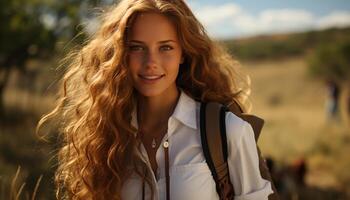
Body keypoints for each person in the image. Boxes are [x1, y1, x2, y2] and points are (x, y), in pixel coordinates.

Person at [37, 0, 274, 199]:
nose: (151, 62)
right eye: (137, 48)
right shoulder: (106, 138)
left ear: (184, 53)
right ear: (119, 55)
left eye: (166, 48)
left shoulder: (227, 131)